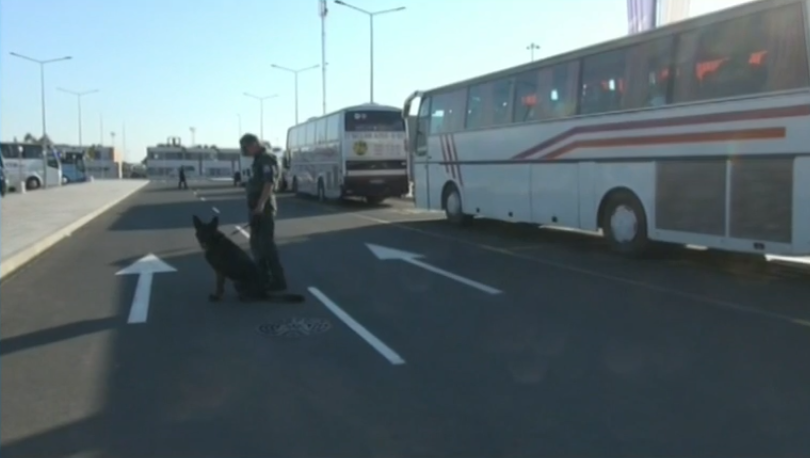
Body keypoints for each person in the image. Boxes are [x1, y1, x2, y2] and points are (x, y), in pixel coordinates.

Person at [240, 133, 287, 292]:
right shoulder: (259, 159)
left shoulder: (266, 159)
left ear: (253, 144)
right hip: (257, 208)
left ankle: (278, 280)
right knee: (256, 244)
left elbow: (269, 184)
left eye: (246, 148)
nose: (246, 151)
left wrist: (260, 205)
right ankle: (264, 277)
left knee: (266, 245)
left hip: (264, 209)